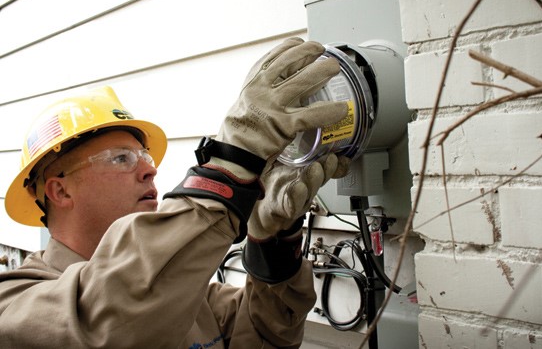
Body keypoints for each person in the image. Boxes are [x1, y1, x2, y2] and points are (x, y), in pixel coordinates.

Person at [0, 38, 351, 348]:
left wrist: (270, 243)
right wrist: (231, 164)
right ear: (60, 190)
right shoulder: (15, 303)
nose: (150, 169)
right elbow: (108, 321)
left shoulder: (188, 293)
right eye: (121, 158)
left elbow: (269, 335)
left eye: (145, 156)